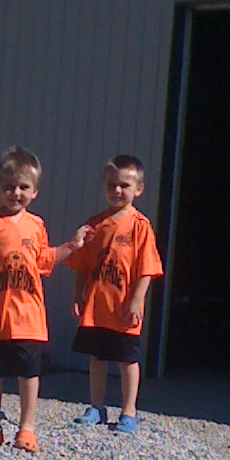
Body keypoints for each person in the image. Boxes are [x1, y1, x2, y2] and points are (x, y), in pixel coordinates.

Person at [0, 147, 90, 452]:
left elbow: (45, 259)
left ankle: (26, 428)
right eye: (9, 186)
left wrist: (73, 245)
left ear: (35, 191)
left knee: (28, 374)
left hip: (28, 318)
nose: (16, 193)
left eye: (24, 187)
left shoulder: (36, 226)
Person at [67, 154, 164, 435]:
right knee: (97, 358)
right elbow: (81, 264)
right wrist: (77, 295)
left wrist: (136, 299)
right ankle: (96, 407)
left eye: (124, 185)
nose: (117, 191)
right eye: (111, 185)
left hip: (124, 310)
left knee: (127, 360)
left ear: (139, 189)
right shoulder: (95, 225)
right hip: (97, 308)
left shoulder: (140, 226)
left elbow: (147, 268)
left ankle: (129, 411)